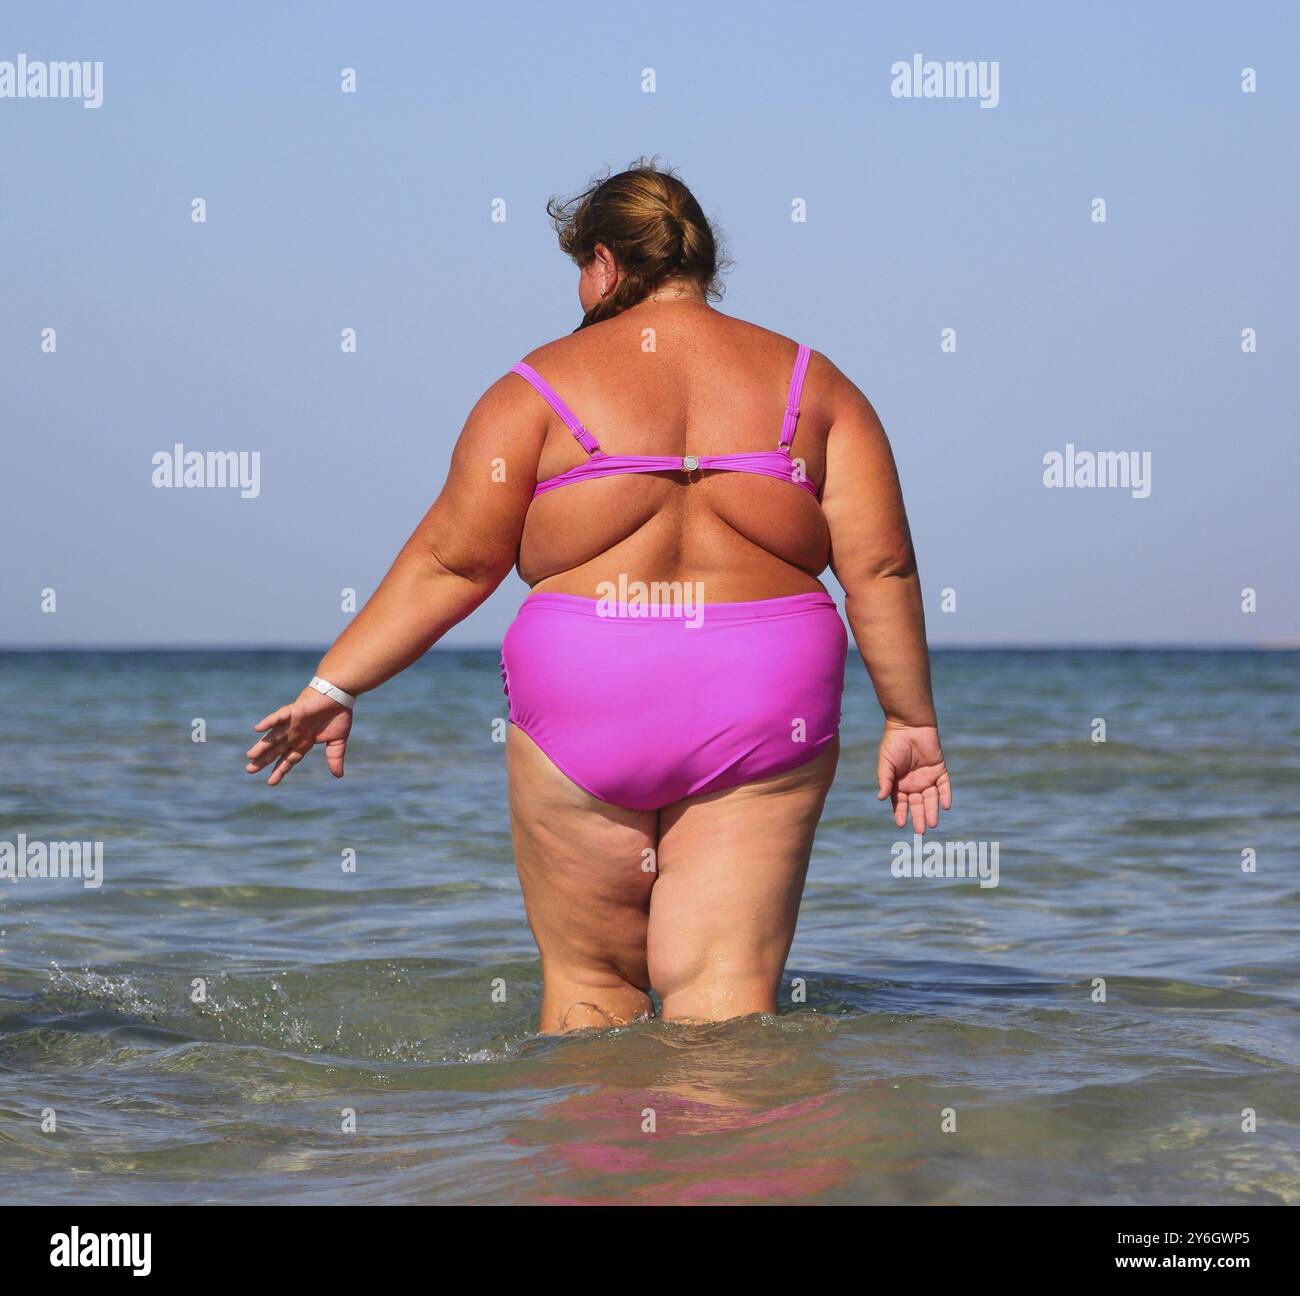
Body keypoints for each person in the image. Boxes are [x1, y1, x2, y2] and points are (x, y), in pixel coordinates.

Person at [246, 161, 952, 1033]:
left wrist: (335, 685)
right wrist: (909, 719)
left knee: (593, 990)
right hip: (765, 694)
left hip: (587, 689)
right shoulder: (817, 386)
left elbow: (453, 564)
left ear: (607, 263)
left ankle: (597, 1171)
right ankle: (735, 1162)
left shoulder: (535, 389)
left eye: (580, 268)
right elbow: (880, 569)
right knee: (725, 1000)